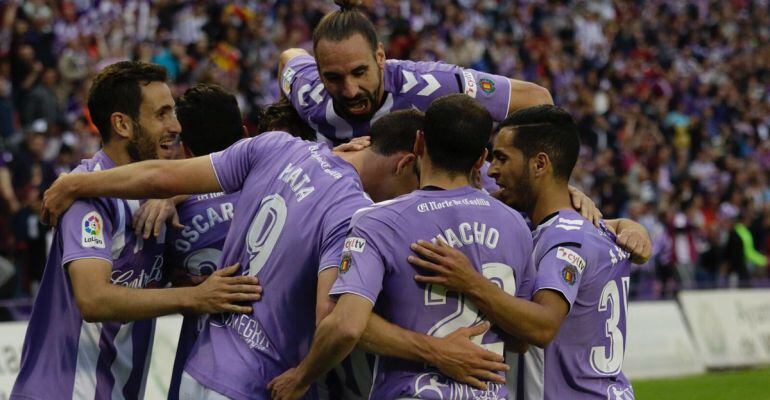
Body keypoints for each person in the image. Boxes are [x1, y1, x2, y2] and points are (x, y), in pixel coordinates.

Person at [41, 108, 510, 399]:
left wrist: (75, 181)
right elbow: (338, 324)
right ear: (407, 162)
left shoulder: (277, 147)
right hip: (258, 385)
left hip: (201, 370)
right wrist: (436, 352)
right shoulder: (354, 215)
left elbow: (162, 178)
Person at [11, 61, 262, 400]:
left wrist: (174, 196)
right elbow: (93, 300)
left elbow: (228, 170)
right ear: (123, 124)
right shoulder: (87, 196)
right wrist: (193, 297)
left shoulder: (156, 194)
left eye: (173, 113)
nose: (175, 126)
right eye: (161, 115)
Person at [269, 94, 535, 400]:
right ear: (480, 160)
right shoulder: (516, 226)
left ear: (419, 143)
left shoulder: (378, 221)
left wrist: (300, 377)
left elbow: (345, 325)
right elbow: (520, 339)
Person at [407, 105, 647, 399]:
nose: (492, 171)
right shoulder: (590, 228)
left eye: (502, 158)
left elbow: (543, 326)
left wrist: (469, 281)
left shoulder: (561, 239)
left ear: (539, 164)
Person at [278, 0, 552, 144]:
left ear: (381, 57)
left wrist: (554, 187)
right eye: (334, 77)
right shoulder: (308, 92)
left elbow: (536, 99)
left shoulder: (431, 86)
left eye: (360, 72)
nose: (350, 90)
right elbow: (288, 58)